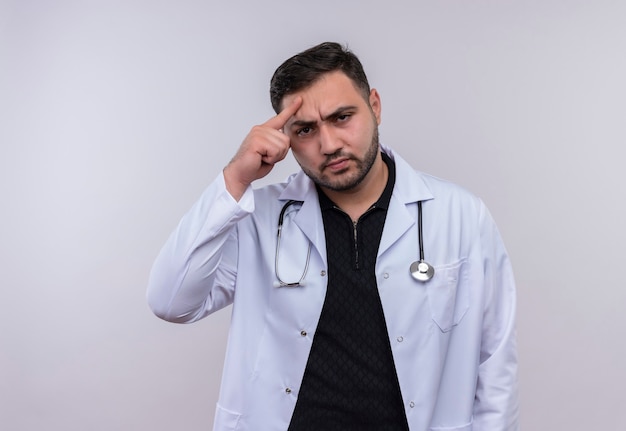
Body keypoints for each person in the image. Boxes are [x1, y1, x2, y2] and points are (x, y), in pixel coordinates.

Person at [147, 41, 519, 431]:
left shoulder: (459, 214)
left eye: (342, 117)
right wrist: (234, 181)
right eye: (305, 129)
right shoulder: (259, 218)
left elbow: (494, 363)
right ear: (285, 138)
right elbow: (171, 301)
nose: (328, 145)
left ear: (374, 105)